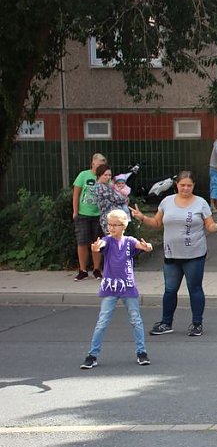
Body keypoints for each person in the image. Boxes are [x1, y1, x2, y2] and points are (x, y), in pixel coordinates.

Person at [131, 170, 217, 337]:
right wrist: (142, 217)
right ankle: (166, 323)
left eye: (189, 185)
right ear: (176, 185)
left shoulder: (201, 203)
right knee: (170, 290)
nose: (185, 188)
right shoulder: (167, 202)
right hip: (171, 254)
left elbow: (209, 225)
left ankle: (197, 324)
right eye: (182, 185)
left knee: (195, 289)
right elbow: (156, 222)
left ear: (193, 186)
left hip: (194, 254)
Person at [79, 209, 154, 369]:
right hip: (110, 288)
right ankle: (92, 355)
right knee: (102, 322)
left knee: (136, 320)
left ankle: (141, 352)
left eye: (115, 225)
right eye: (109, 224)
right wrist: (96, 248)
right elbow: (101, 245)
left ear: (124, 226)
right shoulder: (107, 240)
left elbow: (141, 245)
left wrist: (147, 247)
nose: (111, 228)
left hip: (128, 287)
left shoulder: (129, 241)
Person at [72, 153, 107, 281]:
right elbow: (76, 194)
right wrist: (75, 211)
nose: (100, 167)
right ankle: (83, 270)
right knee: (82, 242)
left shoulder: (105, 177)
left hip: (98, 214)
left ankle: (97, 269)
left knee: (97, 242)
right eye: (99, 164)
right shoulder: (83, 175)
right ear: (93, 163)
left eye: (103, 165)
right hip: (83, 214)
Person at [93, 164, 127, 235]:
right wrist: (125, 199)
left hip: (113, 218)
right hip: (109, 219)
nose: (108, 177)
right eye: (105, 175)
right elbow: (116, 198)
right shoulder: (101, 187)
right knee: (113, 239)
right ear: (99, 175)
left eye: (109, 175)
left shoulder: (106, 186)